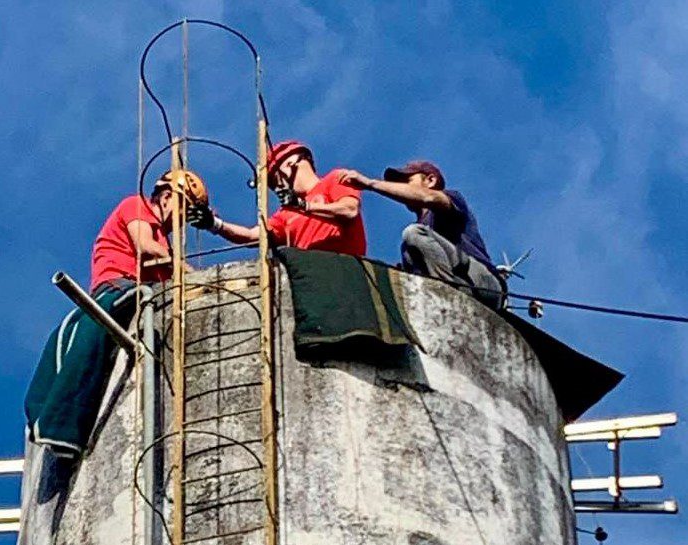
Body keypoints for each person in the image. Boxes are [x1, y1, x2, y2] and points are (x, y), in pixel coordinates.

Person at [25, 171, 207, 459]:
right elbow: (144, 247)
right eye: (183, 209)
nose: (181, 221)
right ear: (167, 196)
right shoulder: (136, 206)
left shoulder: (164, 239)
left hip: (141, 286)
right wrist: (190, 273)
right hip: (119, 283)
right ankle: (62, 420)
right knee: (90, 335)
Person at [338, 161, 506, 309]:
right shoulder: (415, 243)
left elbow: (428, 198)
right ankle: (441, 297)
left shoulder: (450, 199)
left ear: (430, 180)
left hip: (483, 284)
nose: (402, 188)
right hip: (464, 287)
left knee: (413, 234)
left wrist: (370, 183)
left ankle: (446, 295)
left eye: (407, 181)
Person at [187, 140, 366, 256]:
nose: (277, 188)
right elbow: (253, 236)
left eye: (275, 180)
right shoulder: (286, 214)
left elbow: (349, 210)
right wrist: (214, 224)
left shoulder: (335, 179)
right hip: (314, 277)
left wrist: (305, 205)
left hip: (347, 269)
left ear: (291, 164)